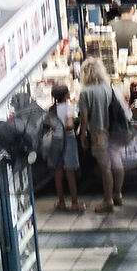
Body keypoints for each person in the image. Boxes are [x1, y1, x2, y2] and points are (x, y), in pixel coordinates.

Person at [76, 58, 128, 210]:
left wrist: (83, 135)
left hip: (98, 133)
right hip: (114, 130)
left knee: (105, 168)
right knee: (117, 163)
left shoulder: (85, 93)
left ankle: (107, 201)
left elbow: (84, 119)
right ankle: (117, 194)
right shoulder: (107, 87)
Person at [41, 81, 83, 213]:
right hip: (68, 140)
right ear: (66, 95)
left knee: (58, 173)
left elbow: (46, 124)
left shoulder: (51, 109)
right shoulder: (68, 107)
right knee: (70, 172)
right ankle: (75, 203)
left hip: (55, 142)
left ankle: (61, 202)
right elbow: (70, 125)